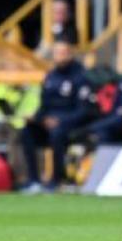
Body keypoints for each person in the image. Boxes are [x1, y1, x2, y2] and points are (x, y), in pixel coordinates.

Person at [19, 41, 93, 193]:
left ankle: (56, 180)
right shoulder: (51, 76)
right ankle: (34, 180)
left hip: (70, 124)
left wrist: (61, 120)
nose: (59, 56)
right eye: (57, 53)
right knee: (27, 131)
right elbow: (44, 105)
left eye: (63, 53)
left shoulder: (81, 77)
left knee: (56, 133)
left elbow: (85, 110)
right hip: (48, 122)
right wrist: (36, 118)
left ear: (71, 54)